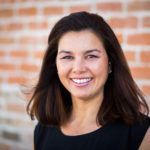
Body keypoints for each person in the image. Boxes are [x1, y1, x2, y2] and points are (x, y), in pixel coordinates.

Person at [27, 11, 150, 150]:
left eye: (91, 56)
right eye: (67, 57)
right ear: (55, 65)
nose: (78, 69)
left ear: (110, 63)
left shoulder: (143, 134)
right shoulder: (42, 130)